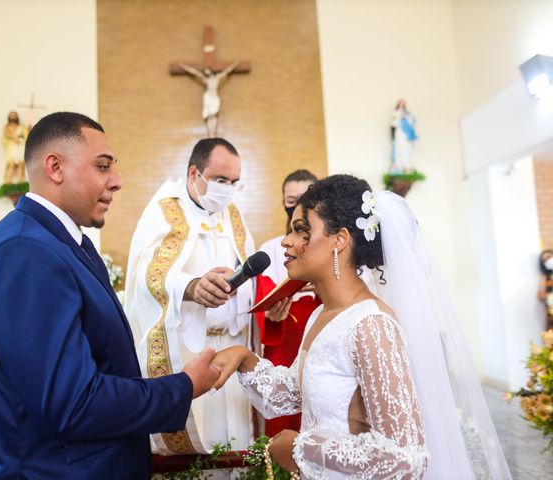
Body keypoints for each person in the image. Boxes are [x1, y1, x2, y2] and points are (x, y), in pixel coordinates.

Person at [0, 112, 220, 480]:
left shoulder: (60, 243)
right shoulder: (24, 251)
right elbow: (71, 403)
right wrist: (181, 387)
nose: (117, 182)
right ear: (55, 167)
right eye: (103, 167)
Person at [212, 174, 512, 479]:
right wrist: (244, 359)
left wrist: (301, 448)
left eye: (302, 231)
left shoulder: (371, 325)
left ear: (339, 240)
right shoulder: (321, 316)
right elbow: (294, 392)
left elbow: (405, 459)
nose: (287, 242)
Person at [124, 138, 255, 458]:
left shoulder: (233, 214)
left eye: (235, 182)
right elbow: (142, 277)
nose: (228, 189)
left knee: (236, 446)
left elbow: (252, 269)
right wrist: (191, 286)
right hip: (187, 351)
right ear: (194, 172)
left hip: (233, 350)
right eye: (221, 180)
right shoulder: (163, 211)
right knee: (194, 450)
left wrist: (240, 285)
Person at [255, 169, 320, 436]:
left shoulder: (329, 246)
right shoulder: (271, 248)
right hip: (284, 338)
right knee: (284, 420)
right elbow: (263, 295)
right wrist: (272, 313)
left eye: (305, 198)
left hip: (318, 330)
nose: (297, 207)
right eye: (291, 201)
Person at [180, 63, 238, 137]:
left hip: (215, 97)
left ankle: (214, 132)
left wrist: (234, 66)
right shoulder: (205, 79)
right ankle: (210, 133)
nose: (207, 73)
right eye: (205, 72)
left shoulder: (217, 77)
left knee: (214, 115)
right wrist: (185, 67)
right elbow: (194, 72)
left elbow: (226, 72)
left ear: (211, 71)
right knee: (209, 115)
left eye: (208, 71)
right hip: (208, 97)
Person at [2, 110, 30, 183]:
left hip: (20, 147)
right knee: (10, 166)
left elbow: (27, 136)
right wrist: (13, 138)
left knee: (21, 166)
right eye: (11, 115)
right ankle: (7, 184)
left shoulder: (21, 127)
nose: (13, 117)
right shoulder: (7, 127)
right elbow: (6, 134)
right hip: (12, 148)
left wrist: (29, 130)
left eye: (14, 115)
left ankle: (20, 184)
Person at [390, 99, 417, 172]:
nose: (401, 105)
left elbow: (412, 122)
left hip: (406, 135)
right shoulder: (395, 113)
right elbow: (393, 123)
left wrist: (406, 117)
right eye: (400, 103)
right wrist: (400, 118)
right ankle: (398, 166)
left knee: (406, 149)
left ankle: (406, 165)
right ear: (398, 104)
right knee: (398, 148)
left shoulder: (408, 113)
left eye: (403, 104)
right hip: (399, 133)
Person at [538, 249, 553, 330]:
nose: (548, 261)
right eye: (545, 260)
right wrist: (551, 296)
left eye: (549, 257)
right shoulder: (544, 277)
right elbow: (541, 295)